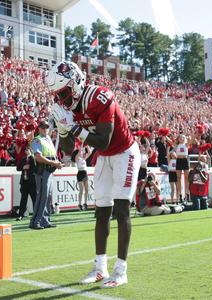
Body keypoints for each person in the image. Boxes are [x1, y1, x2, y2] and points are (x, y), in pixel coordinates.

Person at [48, 61, 141, 288]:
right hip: (105, 156)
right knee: (101, 211)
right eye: (57, 95)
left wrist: (74, 128)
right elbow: (69, 151)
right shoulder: (67, 107)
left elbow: (104, 140)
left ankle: (121, 270)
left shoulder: (99, 97)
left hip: (124, 152)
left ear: (76, 83)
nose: (61, 100)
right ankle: (100, 268)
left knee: (120, 209)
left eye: (64, 93)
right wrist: (63, 129)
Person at [29, 121, 63, 230]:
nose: (45, 130)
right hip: (43, 171)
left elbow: (51, 155)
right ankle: (36, 221)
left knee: (48, 197)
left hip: (49, 171)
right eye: (43, 128)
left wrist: (57, 162)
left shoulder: (47, 139)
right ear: (39, 128)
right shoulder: (37, 140)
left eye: (47, 128)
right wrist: (54, 163)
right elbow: (38, 157)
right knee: (42, 196)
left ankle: (45, 220)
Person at [15, 147, 36, 221]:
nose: (26, 151)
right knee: (23, 199)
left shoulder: (33, 158)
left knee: (34, 198)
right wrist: (23, 167)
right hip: (24, 182)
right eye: (25, 150)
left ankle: (36, 214)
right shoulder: (23, 159)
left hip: (31, 182)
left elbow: (35, 168)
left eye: (27, 150)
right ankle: (21, 215)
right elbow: (17, 168)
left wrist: (29, 169)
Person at [74, 145, 91, 211]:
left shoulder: (84, 158)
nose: (82, 153)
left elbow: (89, 152)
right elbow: (77, 155)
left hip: (85, 173)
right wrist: (80, 148)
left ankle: (85, 203)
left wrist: (86, 146)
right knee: (81, 189)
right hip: (80, 173)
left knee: (87, 189)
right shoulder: (77, 158)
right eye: (80, 152)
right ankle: (79, 204)